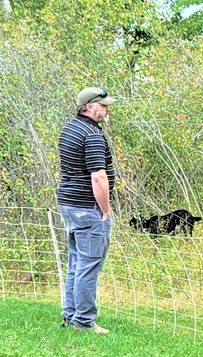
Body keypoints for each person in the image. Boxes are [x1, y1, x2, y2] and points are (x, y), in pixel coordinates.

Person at [57, 87, 116, 334]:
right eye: (103, 106)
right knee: (89, 265)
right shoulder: (91, 134)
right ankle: (83, 322)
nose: (107, 109)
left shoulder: (70, 128)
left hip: (69, 204)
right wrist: (105, 211)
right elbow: (98, 177)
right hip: (87, 208)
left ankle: (70, 315)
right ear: (89, 107)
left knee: (77, 263)